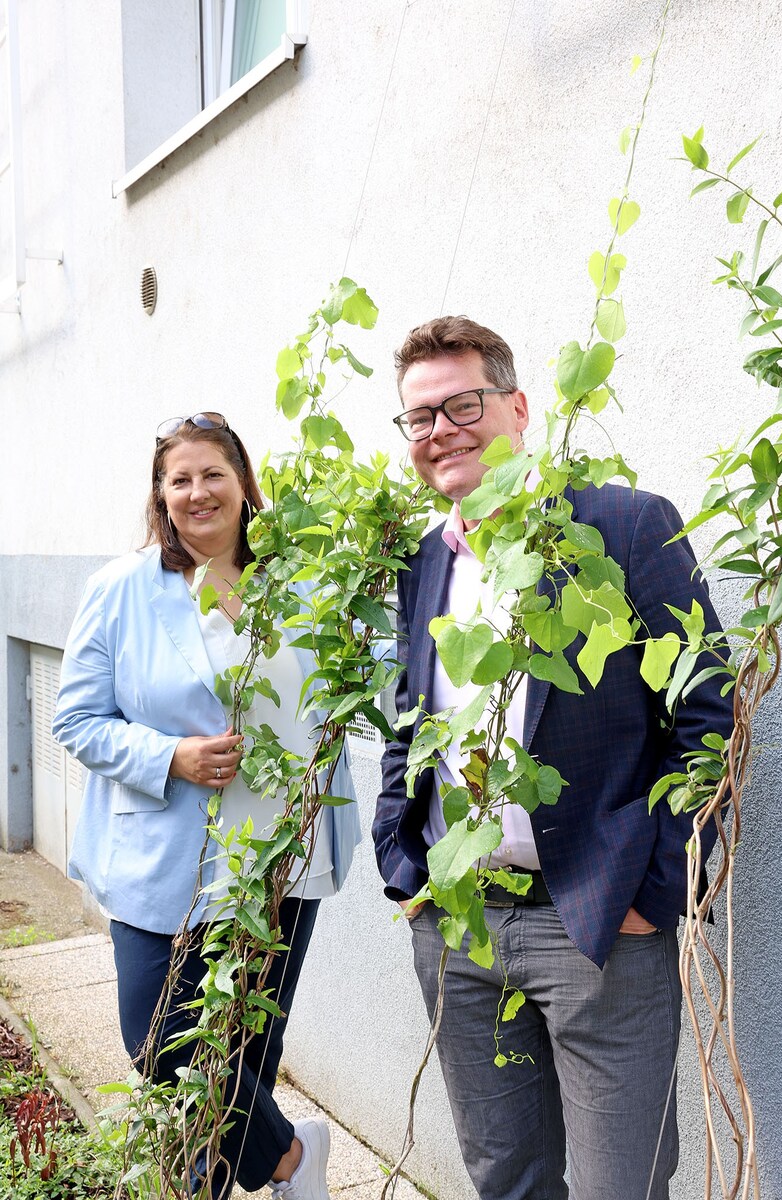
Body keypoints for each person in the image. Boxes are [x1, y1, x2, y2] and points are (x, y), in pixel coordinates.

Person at [373, 318, 734, 1200]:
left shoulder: (623, 526)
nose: (440, 432)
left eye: (463, 404)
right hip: (457, 924)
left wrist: (654, 895)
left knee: (625, 1183)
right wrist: (404, 864)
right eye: (419, 419)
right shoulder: (424, 561)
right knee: (507, 1176)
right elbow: (411, 721)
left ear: (519, 408)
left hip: (600, 925)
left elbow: (709, 716)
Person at [54, 412, 359, 1200]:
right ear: (160, 494)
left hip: (279, 862)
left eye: (212, 474)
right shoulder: (122, 590)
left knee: (243, 1061)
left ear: (244, 483)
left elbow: (363, 679)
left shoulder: (303, 581)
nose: (198, 492)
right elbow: (76, 719)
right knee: (161, 1045)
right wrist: (169, 756)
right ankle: (293, 1158)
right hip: (165, 865)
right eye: (179, 478)